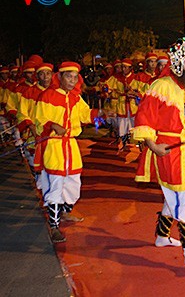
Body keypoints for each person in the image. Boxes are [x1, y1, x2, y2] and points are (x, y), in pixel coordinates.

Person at [133, 36, 185, 267]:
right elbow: (144, 117)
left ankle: (162, 237)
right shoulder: (161, 86)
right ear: (177, 63)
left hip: (184, 150)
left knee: (173, 197)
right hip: (167, 150)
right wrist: (153, 145)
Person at [34, 61, 108, 243]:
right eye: (69, 76)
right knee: (56, 185)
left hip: (71, 147)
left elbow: (85, 114)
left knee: (73, 185)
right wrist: (52, 125)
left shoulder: (75, 97)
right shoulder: (47, 96)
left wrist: (101, 112)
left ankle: (64, 212)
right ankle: (54, 226)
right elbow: (38, 120)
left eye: (75, 77)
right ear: (59, 77)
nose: (72, 80)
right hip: (54, 146)